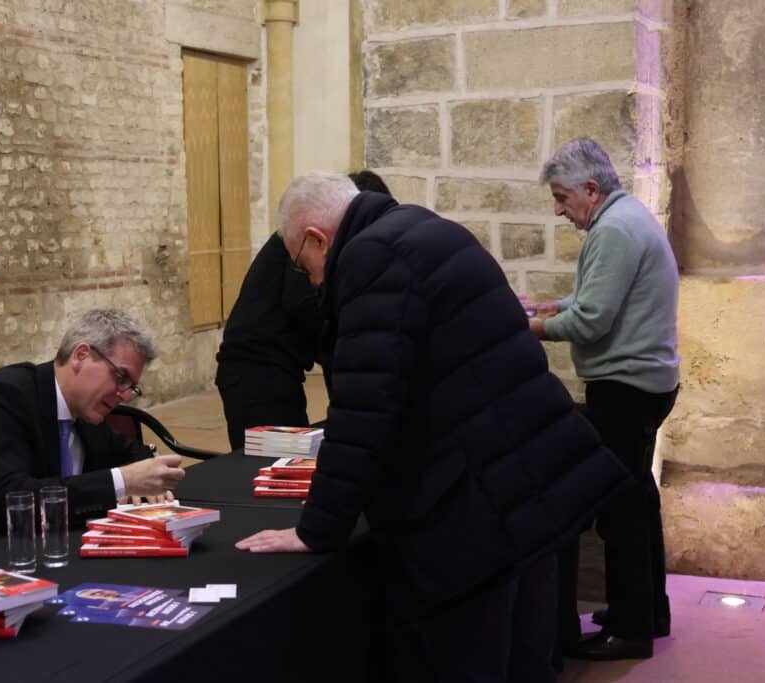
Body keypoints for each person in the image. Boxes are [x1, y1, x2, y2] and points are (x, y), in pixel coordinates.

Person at [236, 172, 628, 682]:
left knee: (467, 657)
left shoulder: (369, 259)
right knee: (525, 652)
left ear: (317, 239)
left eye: (300, 264)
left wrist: (318, 530)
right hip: (529, 479)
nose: (310, 281)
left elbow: (362, 413)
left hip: (476, 503)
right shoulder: (424, 228)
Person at [525, 138, 680, 661]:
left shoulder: (613, 229)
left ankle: (631, 630)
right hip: (644, 384)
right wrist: (554, 304)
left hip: (626, 387)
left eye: (562, 197)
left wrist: (529, 327)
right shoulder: (625, 216)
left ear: (591, 189)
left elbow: (593, 320)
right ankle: (648, 612)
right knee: (638, 500)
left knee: (619, 511)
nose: (559, 210)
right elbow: (599, 294)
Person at [0, 309, 185, 566]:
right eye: (120, 377)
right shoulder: (2, 397)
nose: (125, 395)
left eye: (132, 386)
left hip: (38, 558)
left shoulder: (85, 412)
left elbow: (133, 453)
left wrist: (146, 479)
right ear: (81, 356)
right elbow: (11, 499)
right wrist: (123, 481)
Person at [215, 171, 391, 449]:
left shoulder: (321, 241)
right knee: (278, 460)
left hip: (279, 365)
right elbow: (313, 314)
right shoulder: (304, 244)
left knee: (304, 453)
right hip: (255, 370)